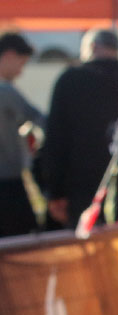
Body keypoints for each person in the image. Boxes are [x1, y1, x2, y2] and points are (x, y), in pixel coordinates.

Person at [43, 28, 118, 229]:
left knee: (87, 250)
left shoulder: (70, 79)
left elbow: (56, 138)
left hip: (81, 185)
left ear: (91, 47)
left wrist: (55, 190)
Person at [0, 32, 43, 237]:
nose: (21, 71)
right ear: (8, 55)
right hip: (7, 184)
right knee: (22, 239)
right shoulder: (5, 91)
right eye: (22, 63)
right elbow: (40, 119)